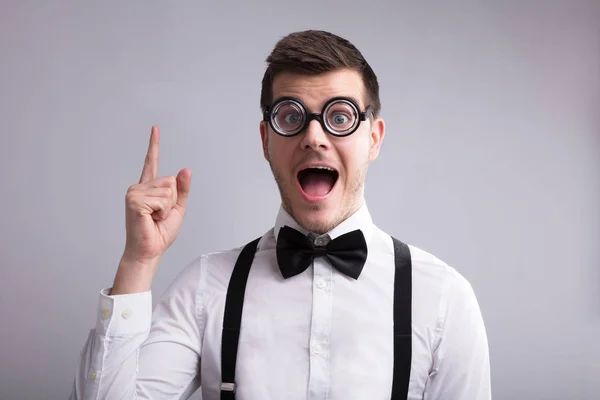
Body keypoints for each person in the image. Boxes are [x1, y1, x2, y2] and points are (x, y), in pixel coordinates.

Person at [69, 30, 491, 400]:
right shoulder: (206, 289)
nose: (313, 137)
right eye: (291, 117)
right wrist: (138, 263)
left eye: (339, 117)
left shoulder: (443, 299)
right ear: (266, 139)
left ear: (374, 138)